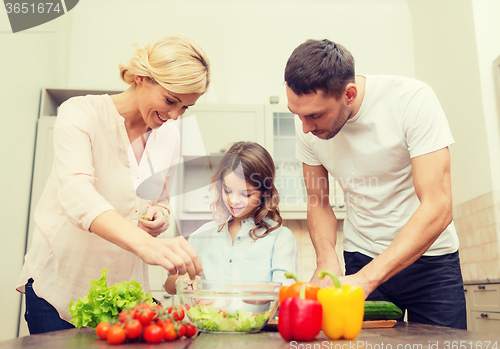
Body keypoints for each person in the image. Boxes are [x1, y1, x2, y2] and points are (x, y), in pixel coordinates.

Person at [17, 35, 210, 334]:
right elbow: (77, 195)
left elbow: (158, 200)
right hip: (61, 285)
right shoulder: (81, 113)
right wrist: (146, 245)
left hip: (124, 294)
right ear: (141, 77)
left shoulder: (169, 136)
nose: (174, 115)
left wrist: (159, 216)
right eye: (171, 100)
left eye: (185, 107)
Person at [285, 39, 466, 329]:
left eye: (315, 115)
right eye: (298, 115)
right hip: (361, 255)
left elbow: (439, 206)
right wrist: (326, 258)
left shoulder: (411, 100)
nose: (305, 127)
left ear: (349, 94)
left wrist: (368, 279)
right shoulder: (306, 124)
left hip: (431, 262)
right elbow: (318, 201)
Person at [164, 141, 298, 295]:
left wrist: (236, 294)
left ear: (264, 192)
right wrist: (182, 280)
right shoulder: (203, 233)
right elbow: (169, 286)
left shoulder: (280, 238)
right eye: (227, 190)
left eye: (246, 194)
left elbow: (286, 292)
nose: (233, 201)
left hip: (262, 320)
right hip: (210, 319)